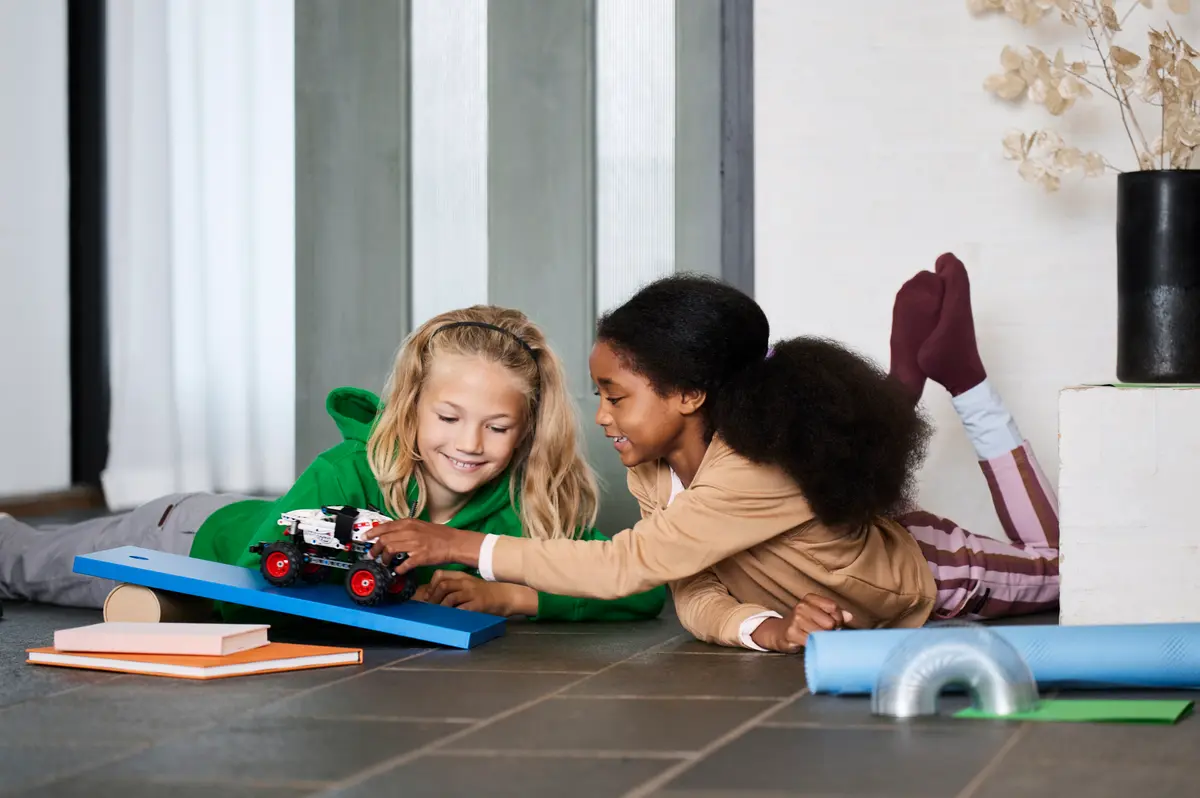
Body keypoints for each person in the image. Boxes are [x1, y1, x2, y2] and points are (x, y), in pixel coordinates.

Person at [372, 255, 1059, 652]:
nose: (601, 416)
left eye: (616, 396)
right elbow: (693, 592)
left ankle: (966, 382)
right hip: (847, 570)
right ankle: (905, 388)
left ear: (689, 395)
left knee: (1081, 573)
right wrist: (768, 629)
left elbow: (626, 566)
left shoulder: (749, 471)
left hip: (933, 573)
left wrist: (460, 544)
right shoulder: (653, 469)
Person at [0, 306, 667, 624]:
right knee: (30, 567)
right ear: (410, 407)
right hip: (189, 539)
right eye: (448, 418)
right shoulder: (348, 470)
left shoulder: (524, 509)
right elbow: (263, 574)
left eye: (496, 428)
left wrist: (512, 594)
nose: (469, 444)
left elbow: (639, 588)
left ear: (523, 434)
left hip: (227, 564)